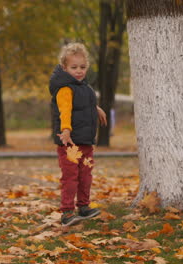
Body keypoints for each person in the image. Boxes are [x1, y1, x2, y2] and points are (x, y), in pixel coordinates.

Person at [49, 42, 107, 226]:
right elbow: (64, 111)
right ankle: (67, 212)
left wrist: (96, 108)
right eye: (74, 67)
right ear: (65, 68)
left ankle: (84, 206)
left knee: (86, 175)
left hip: (85, 142)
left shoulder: (83, 87)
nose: (79, 71)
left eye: (82, 67)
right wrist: (66, 130)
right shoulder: (65, 88)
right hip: (70, 143)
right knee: (71, 177)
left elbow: (82, 104)